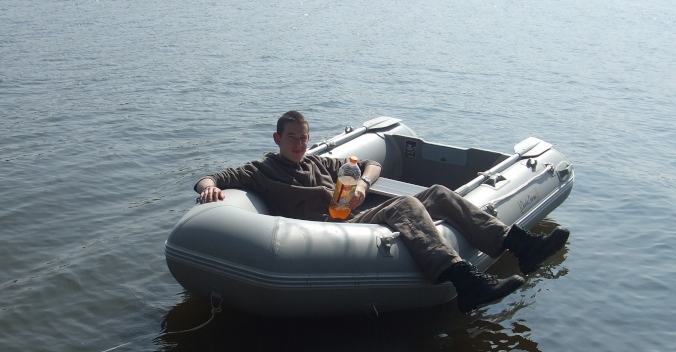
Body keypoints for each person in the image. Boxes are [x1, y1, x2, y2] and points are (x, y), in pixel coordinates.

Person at [194, 111, 569, 313]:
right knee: (406, 204)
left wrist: (361, 185)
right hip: (325, 233)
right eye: (292, 137)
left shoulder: (319, 164)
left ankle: (520, 245)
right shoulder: (263, 171)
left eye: (305, 137)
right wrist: (208, 186)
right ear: (277, 139)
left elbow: (369, 167)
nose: (300, 143)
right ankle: (464, 282)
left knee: (437, 192)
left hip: (349, 217)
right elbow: (213, 177)